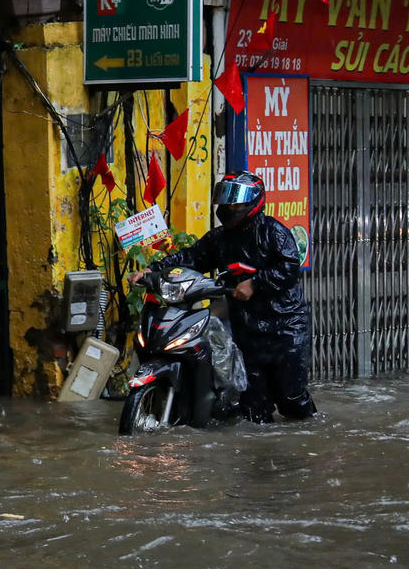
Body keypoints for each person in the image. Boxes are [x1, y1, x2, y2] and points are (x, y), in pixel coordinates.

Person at [128, 170, 317, 423]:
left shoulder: (273, 231)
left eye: (235, 203)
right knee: (254, 409)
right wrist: (152, 270)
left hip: (286, 327)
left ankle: (309, 433)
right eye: (226, 201)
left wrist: (256, 283)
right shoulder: (219, 239)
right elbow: (190, 257)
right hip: (246, 330)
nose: (229, 208)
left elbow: (289, 267)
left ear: (253, 202)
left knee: (291, 396)